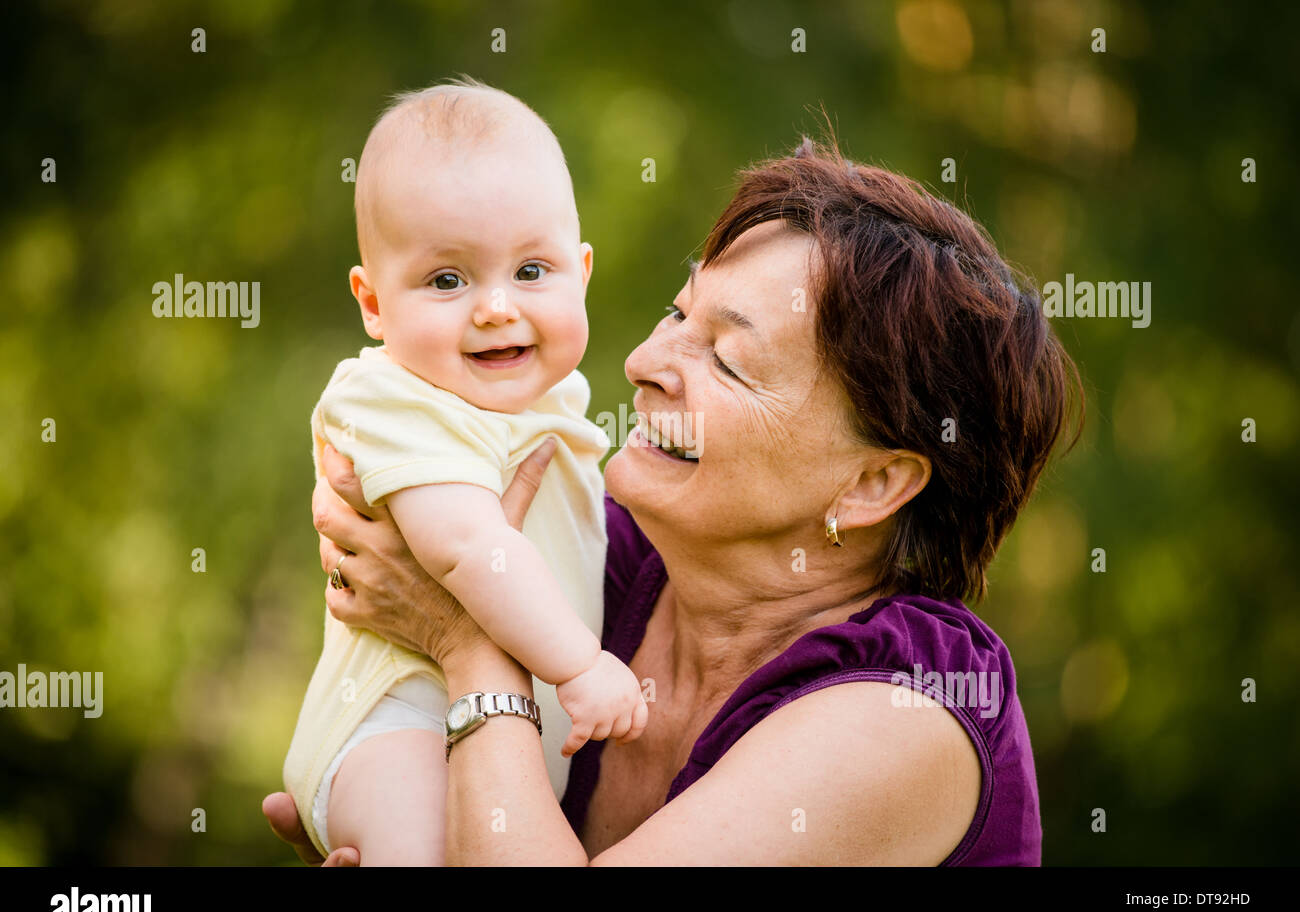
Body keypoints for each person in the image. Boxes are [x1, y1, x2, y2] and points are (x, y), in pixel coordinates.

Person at [266, 133, 1083, 865]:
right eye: (677, 311)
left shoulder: (911, 708)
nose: (646, 361)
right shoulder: (603, 558)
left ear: (873, 482)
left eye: (726, 361)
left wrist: (470, 643)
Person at [281, 80, 646, 866]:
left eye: (532, 270)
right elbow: (464, 547)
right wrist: (580, 666)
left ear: (582, 271)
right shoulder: (392, 397)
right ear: (374, 303)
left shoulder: (552, 400)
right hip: (394, 729)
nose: (494, 307)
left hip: (491, 736)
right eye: (447, 280)